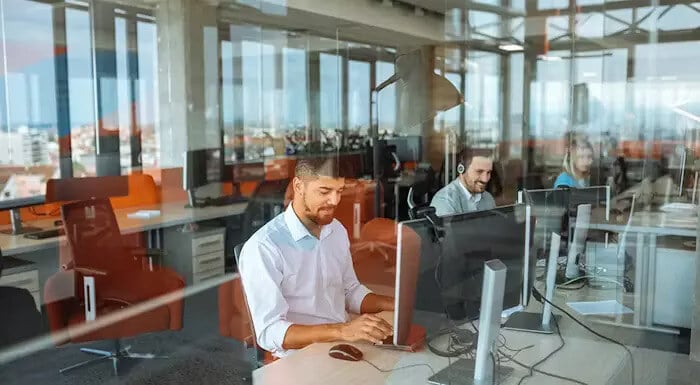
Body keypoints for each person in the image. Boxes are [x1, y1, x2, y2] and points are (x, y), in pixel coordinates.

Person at [238, 157, 395, 358]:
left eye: (339, 191)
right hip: (300, 356)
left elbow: (351, 291)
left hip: (344, 344)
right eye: (324, 191)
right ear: (299, 186)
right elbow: (270, 332)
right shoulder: (264, 247)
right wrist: (342, 330)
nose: (335, 201)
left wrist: (396, 304)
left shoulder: (336, 230)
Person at [430, 149, 496, 216]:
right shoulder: (445, 200)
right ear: (461, 169)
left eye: (488, 172)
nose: (485, 179)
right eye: (479, 171)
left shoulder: (488, 198)